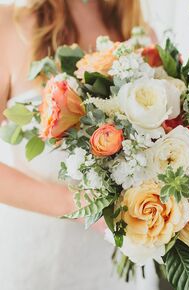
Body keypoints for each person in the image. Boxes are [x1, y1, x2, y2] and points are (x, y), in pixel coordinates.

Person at [0, 1, 158, 289]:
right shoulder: (10, 25)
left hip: (123, 272)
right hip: (39, 267)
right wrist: (76, 203)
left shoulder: (141, 34)